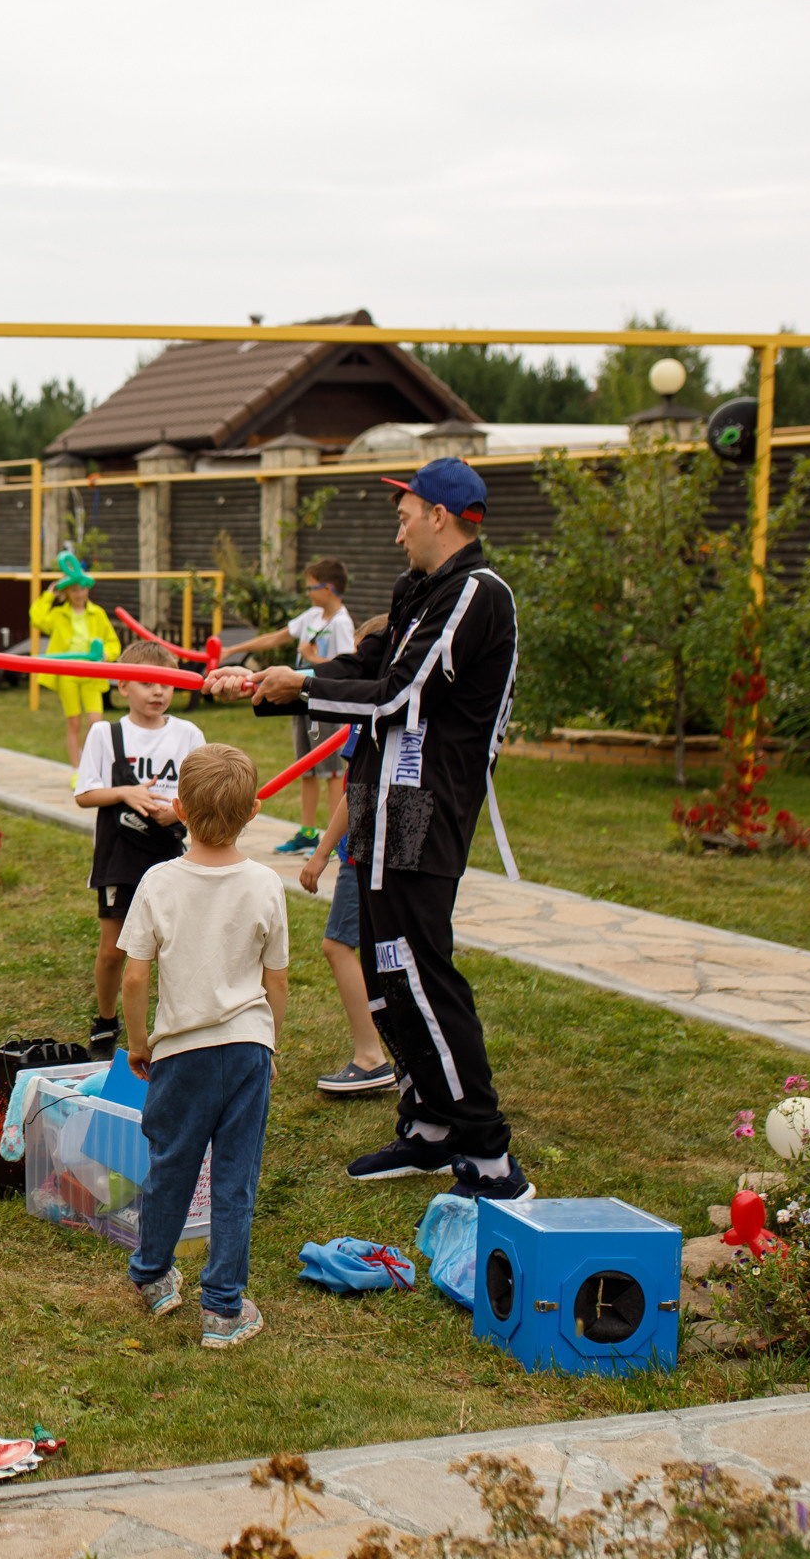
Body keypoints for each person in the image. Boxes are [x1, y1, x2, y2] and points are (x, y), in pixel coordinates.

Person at [209, 458, 530, 1203]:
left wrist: (306, 686)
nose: (398, 529)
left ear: (442, 516)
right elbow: (366, 663)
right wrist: (270, 685)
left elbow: (400, 694)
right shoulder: (417, 591)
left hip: (425, 807)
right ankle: (429, 1126)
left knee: (419, 968)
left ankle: (486, 1153)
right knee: (386, 971)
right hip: (381, 801)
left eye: (405, 513)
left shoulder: (477, 594)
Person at [116, 743, 287, 1348]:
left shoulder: (158, 882)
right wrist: (271, 1046)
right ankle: (223, 1310)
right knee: (235, 1178)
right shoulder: (266, 884)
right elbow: (275, 980)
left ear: (180, 808)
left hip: (179, 1052)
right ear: (256, 810)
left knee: (172, 1166)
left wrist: (138, 1042)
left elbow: (135, 976)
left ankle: (154, 1277)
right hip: (246, 1049)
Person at [72, 639, 204, 1061]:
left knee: (173, 944)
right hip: (119, 854)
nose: (158, 692)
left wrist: (179, 815)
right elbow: (85, 794)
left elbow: (200, 793)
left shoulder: (188, 734)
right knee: (114, 947)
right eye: (147, 682)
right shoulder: (105, 734)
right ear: (121, 685)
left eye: (166, 683)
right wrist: (126, 793)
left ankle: (175, 1021)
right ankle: (107, 1020)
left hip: (170, 854)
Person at [220, 558, 355, 854]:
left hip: (325, 702)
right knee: (305, 767)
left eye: (312, 588)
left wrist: (312, 657)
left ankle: (334, 840)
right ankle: (307, 833)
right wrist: (234, 649)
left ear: (329, 588)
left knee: (330, 770)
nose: (308, 593)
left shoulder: (342, 623)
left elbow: (347, 668)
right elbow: (276, 637)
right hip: (300, 700)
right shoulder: (312, 616)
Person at [298, 733, 394, 1096]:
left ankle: (371, 1057)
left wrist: (320, 853)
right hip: (392, 848)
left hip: (364, 850)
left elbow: (358, 788)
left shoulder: (371, 712)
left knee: (337, 945)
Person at [28, 553, 121, 767]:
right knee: (74, 723)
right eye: (75, 590)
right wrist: (49, 596)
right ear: (68, 592)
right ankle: (76, 768)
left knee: (96, 723)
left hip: (92, 674)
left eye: (83, 588)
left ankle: (86, 760)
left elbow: (112, 642)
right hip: (68, 673)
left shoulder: (97, 614)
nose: (80, 594)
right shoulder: (59, 615)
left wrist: (107, 654)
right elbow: (37, 618)